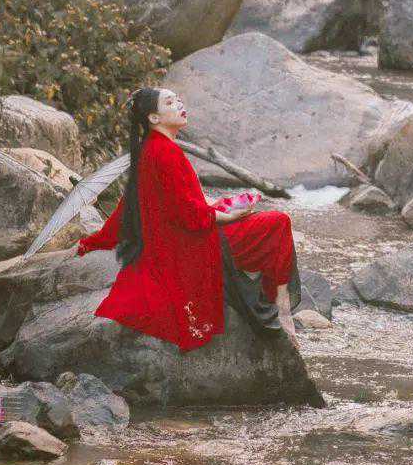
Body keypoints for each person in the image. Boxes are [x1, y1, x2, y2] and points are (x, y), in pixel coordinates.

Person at [76, 86, 301, 348]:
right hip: (190, 246)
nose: (180, 105)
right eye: (170, 102)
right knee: (278, 222)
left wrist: (92, 242)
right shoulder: (165, 152)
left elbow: (129, 209)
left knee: (255, 218)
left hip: (176, 239)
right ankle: (282, 309)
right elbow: (189, 215)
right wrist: (231, 216)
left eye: (178, 100)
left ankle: (274, 301)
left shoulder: (151, 148)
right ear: (154, 118)